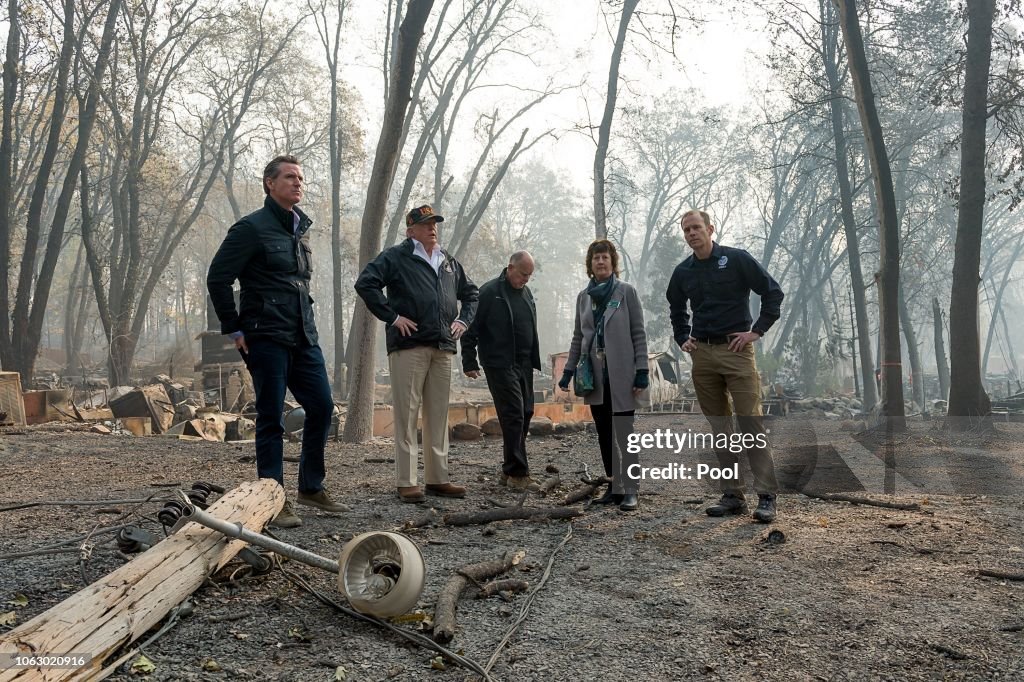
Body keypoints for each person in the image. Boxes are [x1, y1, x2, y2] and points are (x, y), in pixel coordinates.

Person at [206, 155, 347, 529]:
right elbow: (218, 278)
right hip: (264, 336)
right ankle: (273, 498)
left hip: (303, 334)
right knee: (271, 417)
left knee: (322, 407)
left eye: (301, 177)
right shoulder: (250, 228)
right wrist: (234, 328)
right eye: (289, 177)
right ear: (269, 183)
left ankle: (311, 487)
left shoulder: (299, 230)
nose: (298, 183)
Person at [666, 209, 784, 523]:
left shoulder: (735, 259)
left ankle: (767, 496)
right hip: (702, 354)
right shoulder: (683, 272)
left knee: (750, 422)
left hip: (737, 350)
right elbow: (676, 307)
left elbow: (772, 292)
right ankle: (733, 495)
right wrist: (682, 337)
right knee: (720, 426)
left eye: (696, 227)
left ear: (710, 229)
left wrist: (756, 331)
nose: (691, 233)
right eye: (686, 229)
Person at [354, 205, 479, 503]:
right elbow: (366, 283)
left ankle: (438, 479)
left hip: (443, 346)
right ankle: (406, 481)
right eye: (425, 224)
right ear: (411, 231)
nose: (432, 228)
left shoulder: (448, 261)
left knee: (438, 415)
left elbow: (472, 293)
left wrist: (463, 320)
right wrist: (392, 316)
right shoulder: (396, 257)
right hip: (409, 346)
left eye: (434, 223)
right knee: (407, 414)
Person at [558, 240, 648, 512]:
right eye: (596, 258)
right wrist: (568, 371)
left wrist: (642, 370)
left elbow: (638, 333)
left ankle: (632, 489)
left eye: (605, 258)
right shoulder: (583, 297)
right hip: (595, 378)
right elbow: (578, 337)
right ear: (590, 264)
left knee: (624, 433)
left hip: (622, 375)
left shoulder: (626, 292)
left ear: (612, 262)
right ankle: (614, 485)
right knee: (604, 435)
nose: (600, 262)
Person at [461, 251, 542, 491]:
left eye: (530, 275)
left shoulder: (526, 293)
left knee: (526, 412)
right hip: (499, 363)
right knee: (513, 414)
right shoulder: (489, 292)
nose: (526, 279)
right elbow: (471, 328)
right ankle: (518, 473)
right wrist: (469, 361)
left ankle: (509, 469)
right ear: (510, 268)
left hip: (524, 363)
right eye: (523, 274)